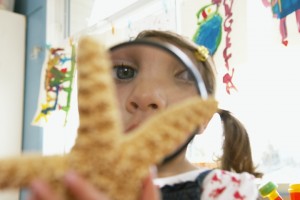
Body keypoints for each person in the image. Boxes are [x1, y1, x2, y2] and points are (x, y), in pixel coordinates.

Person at [28, 30, 262, 200]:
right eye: (124, 72)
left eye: (182, 77)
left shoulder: (232, 192)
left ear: (203, 118)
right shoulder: (67, 187)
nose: (145, 95)